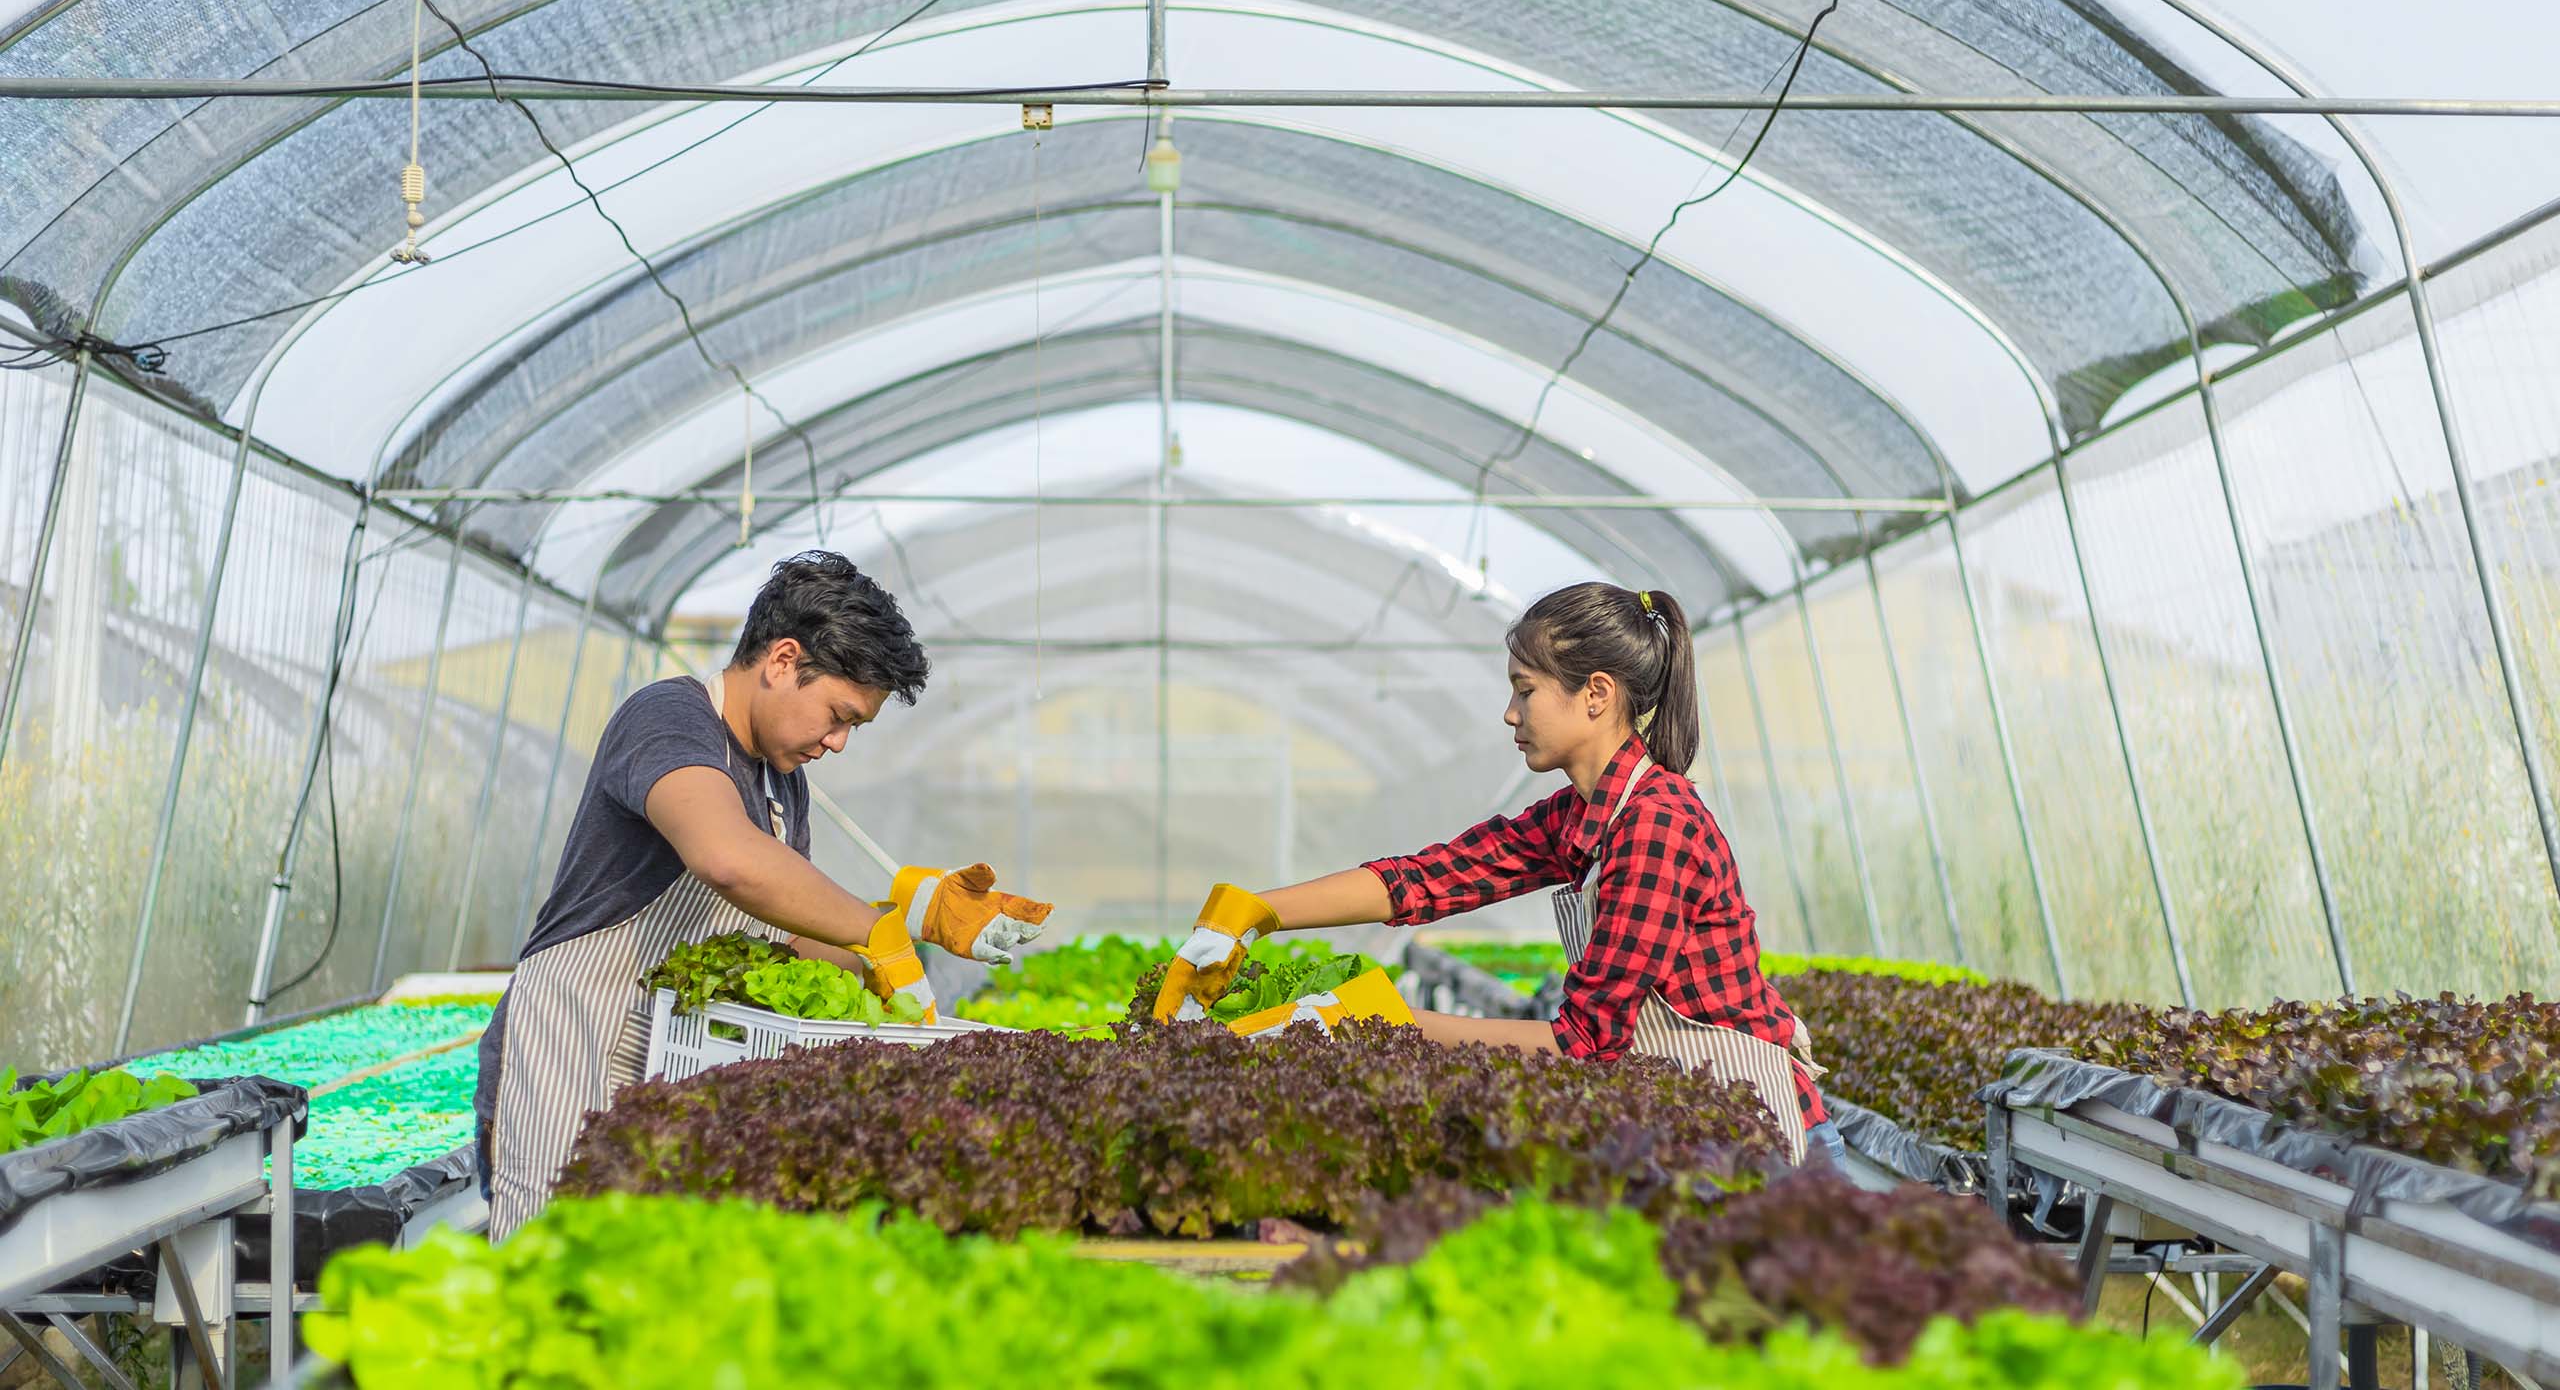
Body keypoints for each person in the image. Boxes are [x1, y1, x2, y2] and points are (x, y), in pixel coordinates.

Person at [1153, 581, 1843, 1172]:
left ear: (1596, 694)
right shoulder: (1581, 816)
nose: (1511, 714)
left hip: (1769, 1144)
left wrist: (1385, 1022)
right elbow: (1430, 879)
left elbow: (1586, 1043)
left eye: (1526, 690)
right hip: (1692, 1124)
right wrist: (1253, 912)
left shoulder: (1655, 828)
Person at [476, 552, 1052, 1237]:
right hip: (571, 1054)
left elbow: (790, 935)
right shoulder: (670, 718)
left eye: (854, 728)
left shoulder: (783, 785)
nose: (838, 743)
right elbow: (727, 860)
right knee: (556, 1278)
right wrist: (874, 933)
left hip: (669, 1070)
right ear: (782, 660)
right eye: (838, 716)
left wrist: (910, 922)